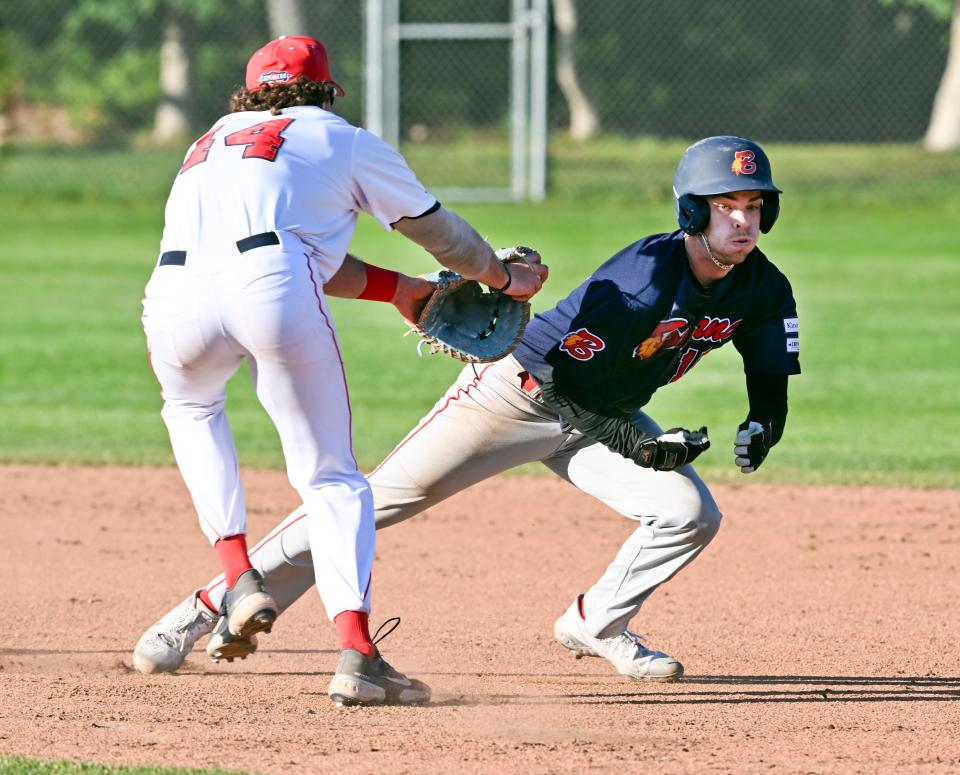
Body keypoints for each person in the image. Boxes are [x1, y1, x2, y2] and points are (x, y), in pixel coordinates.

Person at [135, 135, 799, 685]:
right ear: (692, 213)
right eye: (724, 205)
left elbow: (769, 368)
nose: (741, 220)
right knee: (368, 505)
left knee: (689, 513)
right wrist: (639, 443)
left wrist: (764, 422)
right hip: (516, 396)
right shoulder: (644, 279)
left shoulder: (765, 286)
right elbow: (563, 381)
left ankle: (595, 621)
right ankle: (200, 609)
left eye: (752, 206)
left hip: (602, 417)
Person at [139, 34, 547, 706]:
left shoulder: (210, 139)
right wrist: (504, 276)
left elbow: (288, 246)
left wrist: (402, 291)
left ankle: (238, 577)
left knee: (192, 411)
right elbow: (437, 234)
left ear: (251, 92)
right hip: (271, 284)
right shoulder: (341, 138)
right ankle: (358, 654)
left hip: (171, 297)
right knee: (331, 477)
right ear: (327, 89)